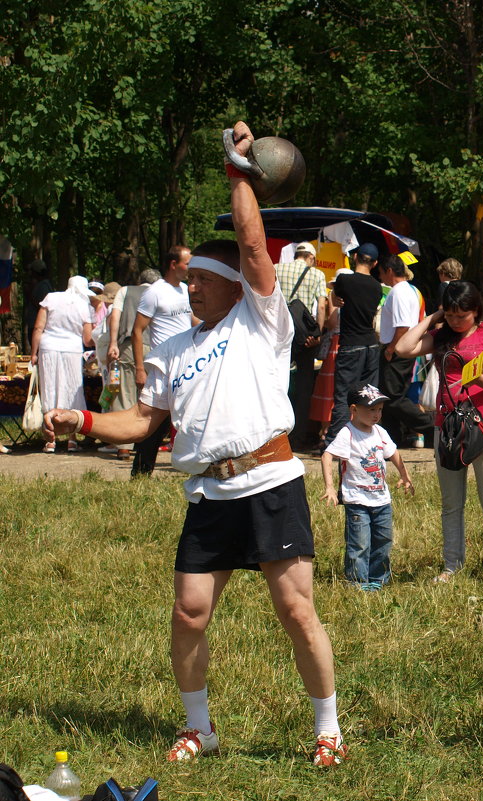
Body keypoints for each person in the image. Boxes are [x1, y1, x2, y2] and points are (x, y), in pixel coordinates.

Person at [43, 121, 347, 767]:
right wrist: (85, 421)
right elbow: (142, 422)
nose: (193, 288)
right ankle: (199, 727)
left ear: (234, 285)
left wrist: (239, 174)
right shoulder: (173, 347)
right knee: (189, 611)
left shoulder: (260, 320)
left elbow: (253, 243)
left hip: (269, 482)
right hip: (209, 490)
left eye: (203, 280)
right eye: (191, 282)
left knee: (295, 609)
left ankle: (328, 731)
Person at [395, 281, 483, 581]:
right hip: (448, 427)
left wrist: (473, 374)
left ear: (476, 311)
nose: (456, 322)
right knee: (451, 504)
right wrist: (432, 318)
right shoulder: (441, 336)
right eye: (450, 315)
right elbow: (402, 348)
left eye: (461, 316)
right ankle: (452, 566)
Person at [320, 382, 414, 591]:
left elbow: (393, 453)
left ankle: (378, 579)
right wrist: (329, 487)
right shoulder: (348, 434)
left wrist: (404, 475)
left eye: (379, 410)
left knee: (383, 540)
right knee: (360, 543)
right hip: (357, 500)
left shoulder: (379, 432)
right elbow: (327, 456)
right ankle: (357, 582)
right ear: (354, 409)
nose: (376, 414)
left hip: (381, 499)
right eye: (371, 409)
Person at [131, 244, 194, 476]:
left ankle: (195, 469)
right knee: (154, 423)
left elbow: (192, 321)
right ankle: (140, 472)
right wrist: (140, 368)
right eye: (188, 263)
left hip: (186, 363)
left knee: (191, 416)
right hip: (164, 366)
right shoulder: (155, 291)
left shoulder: (186, 290)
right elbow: (137, 331)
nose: (191, 267)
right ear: (173, 264)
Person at [30, 276, 94, 453]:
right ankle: (72, 439)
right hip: (72, 349)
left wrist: (33, 353)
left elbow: (38, 328)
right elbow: (88, 340)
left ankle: (50, 440)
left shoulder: (51, 298)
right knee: (72, 390)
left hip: (48, 348)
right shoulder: (84, 306)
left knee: (50, 389)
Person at [328, 243, 382, 443]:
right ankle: (368, 440)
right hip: (371, 345)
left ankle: (336, 442)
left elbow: (335, 299)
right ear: (375, 263)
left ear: (355, 256)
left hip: (351, 344)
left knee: (343, 396)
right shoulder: (377, 287)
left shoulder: (344, 279)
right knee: (369, 396)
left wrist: (337, 298)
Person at [377, 254, 434, 446]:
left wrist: (391, 348)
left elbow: (402, 326)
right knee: (388, 396)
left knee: (392, 398)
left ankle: (431, 426)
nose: (381, 277)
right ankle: (393, 438)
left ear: (390, 271)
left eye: (382, 273)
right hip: (404, 348)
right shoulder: (411, 290)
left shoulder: (398, 292)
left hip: (398, 349)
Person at [276, 241, 327, 450]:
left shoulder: (275, 269)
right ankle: (297, 438)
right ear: (311, 258)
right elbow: (322, 306)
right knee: (305, 386)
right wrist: (318, 334)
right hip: (304, 337)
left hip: (278, 334)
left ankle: (276, 435)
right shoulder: (316, 274)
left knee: (277, 383)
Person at [106, 269, 161, 460]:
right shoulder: (162, 292)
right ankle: (149, 441)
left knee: (125, 394)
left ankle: (124, 445)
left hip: (130, 345)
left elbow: (115, 317)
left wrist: (113, 342)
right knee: (153, 396)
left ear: (140, 280)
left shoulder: (125, 291)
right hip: (156, 347)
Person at [310, 271, 346, 453]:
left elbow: (331, 325)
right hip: (345, 346)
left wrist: (332, 304)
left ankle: (325, 433)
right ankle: (330, 433)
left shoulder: (340, 307)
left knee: (328, 389)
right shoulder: (359, 303)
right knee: (334, 390)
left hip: (336, 346)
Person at [23, 259, 52, 352]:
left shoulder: (43, 286)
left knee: (37, 351)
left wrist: (29, 295)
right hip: (34, 324)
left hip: (38, 325)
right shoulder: (40, 285)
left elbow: (42, 306)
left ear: (36, 272)